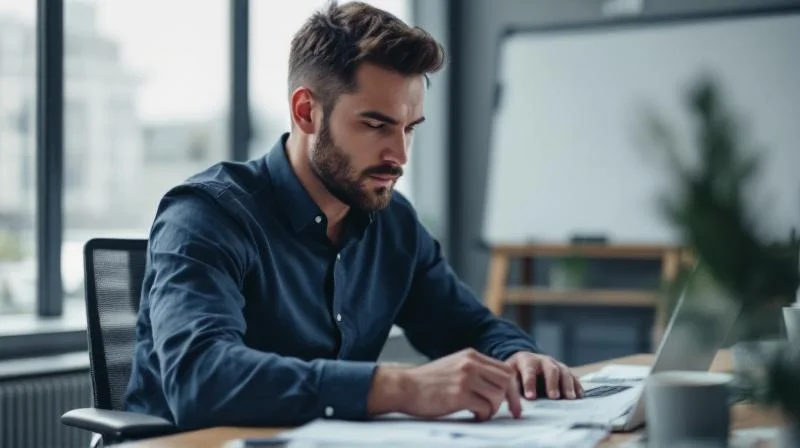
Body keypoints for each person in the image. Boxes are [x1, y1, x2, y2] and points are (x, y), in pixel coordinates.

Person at [124, 1, 583, 431]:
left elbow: (470, 326)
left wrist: (519, 356)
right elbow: (201, 378)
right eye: (377, 125)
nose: (399, 155)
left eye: (410, 129)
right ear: (307, 112)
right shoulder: (207, 215)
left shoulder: (393, 223)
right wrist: (398, 386)